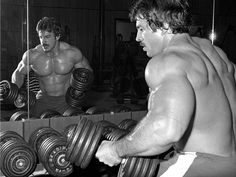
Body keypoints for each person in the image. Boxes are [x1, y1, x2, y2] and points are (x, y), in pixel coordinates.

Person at [95, 0, 236, 176]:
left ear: (165, 25)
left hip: (201, 164)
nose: (138, 37)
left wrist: (115, 149)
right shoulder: (215, 52)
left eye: (141, 28)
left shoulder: (167, 61)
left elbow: (165, 129)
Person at [11, 17, 92, 118]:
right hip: (43, 100)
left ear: (57, 36)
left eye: (47, 36)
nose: (43, 41)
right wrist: (15, 92)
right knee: (36, 131)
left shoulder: (72, 53)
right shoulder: (32, 55)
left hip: (67, 101)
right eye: (41, 37)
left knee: (72, 131)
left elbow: (88, 73)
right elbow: (18, 73)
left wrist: (79, 90)